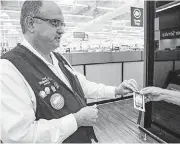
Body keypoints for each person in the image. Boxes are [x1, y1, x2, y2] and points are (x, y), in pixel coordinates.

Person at [0, 0, 138, 143]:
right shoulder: (9, 69)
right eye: (55, 23)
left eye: (62, 24)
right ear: (31, 23)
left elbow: (81, 86)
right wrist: (76, 120)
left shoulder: (58, 58)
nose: (61, 30)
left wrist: (115, 90)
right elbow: (19, 137)